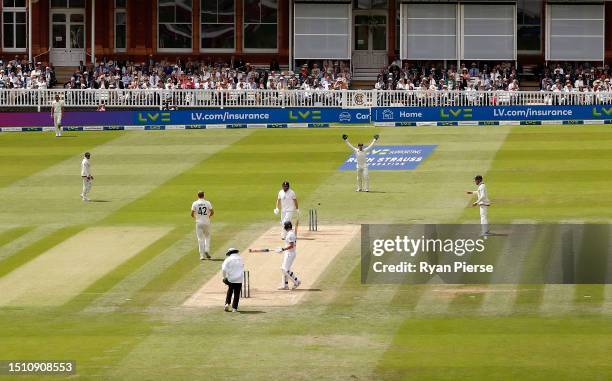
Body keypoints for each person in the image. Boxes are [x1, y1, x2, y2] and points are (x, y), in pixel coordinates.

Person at [276, 221, 301, 290]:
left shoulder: (290, 234)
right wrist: (283, 250)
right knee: (284, 269)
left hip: (290, 254)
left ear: (287, 226)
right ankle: (285, 285)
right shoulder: (290, 233)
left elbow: (291, 245)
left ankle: (297, 281)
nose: (284, 227)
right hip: (288, 253)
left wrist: (283, 249)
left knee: (284, 269)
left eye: (284, 226)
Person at [191, 191, 214, 260]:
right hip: (207, 222)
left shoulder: (195, 203)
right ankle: (206, 250)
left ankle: (201, 256)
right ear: (203, 195)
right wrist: (208, 216)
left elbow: (192, 214)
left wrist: (197, 218)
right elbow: (212, 212)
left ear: (198, 196)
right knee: (207, 237)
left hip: (198, 223)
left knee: (200, 239)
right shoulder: (207, 202)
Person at [221, 248, 244, 312]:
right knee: (237, 293)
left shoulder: (228, 259)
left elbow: (223, 269)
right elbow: (242, 267)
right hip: (239, 279)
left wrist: (224, 277)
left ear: (230, 253)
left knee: (230, 290)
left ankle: (227, 304)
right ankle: (234, 308)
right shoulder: (241, 259)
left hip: (231, 279)